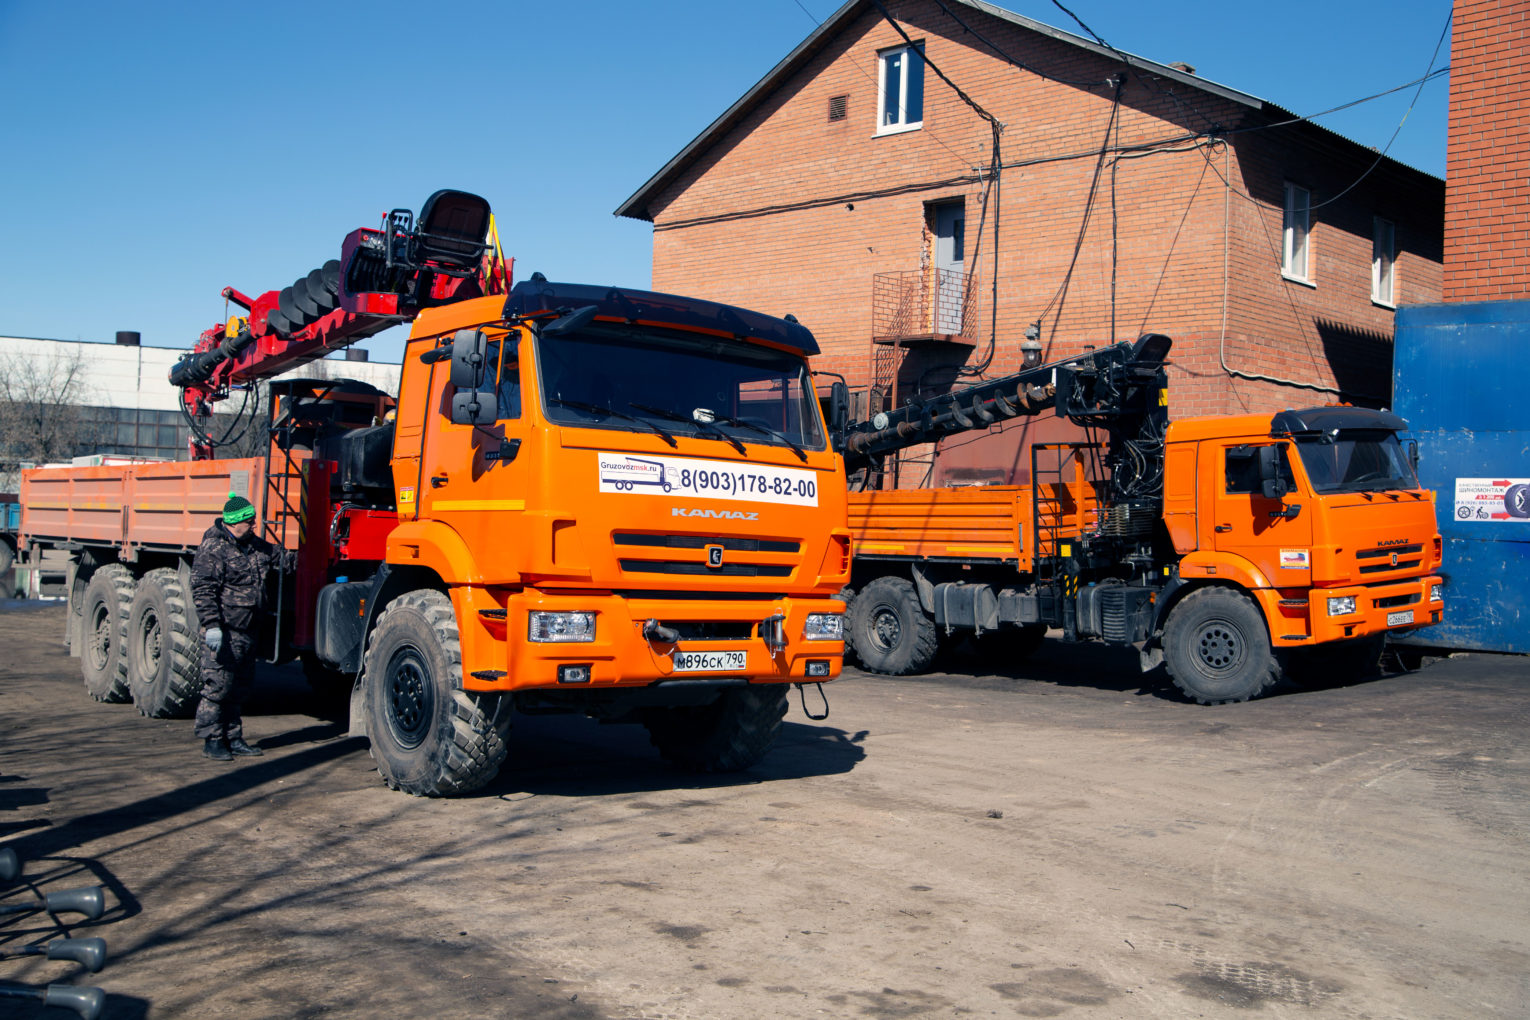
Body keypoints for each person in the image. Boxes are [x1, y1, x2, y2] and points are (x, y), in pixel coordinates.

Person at [190, 492, 296, 761]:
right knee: (218, 686)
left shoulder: (255, 545)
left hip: (248, 630)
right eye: (248, 521)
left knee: (239, 687)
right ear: (233, 523)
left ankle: (233, 737)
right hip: (224, 631)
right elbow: (203, 590)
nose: (253, 525)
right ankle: (213, 740)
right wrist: (212, 625)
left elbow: (283, 559)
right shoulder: (213, 549)